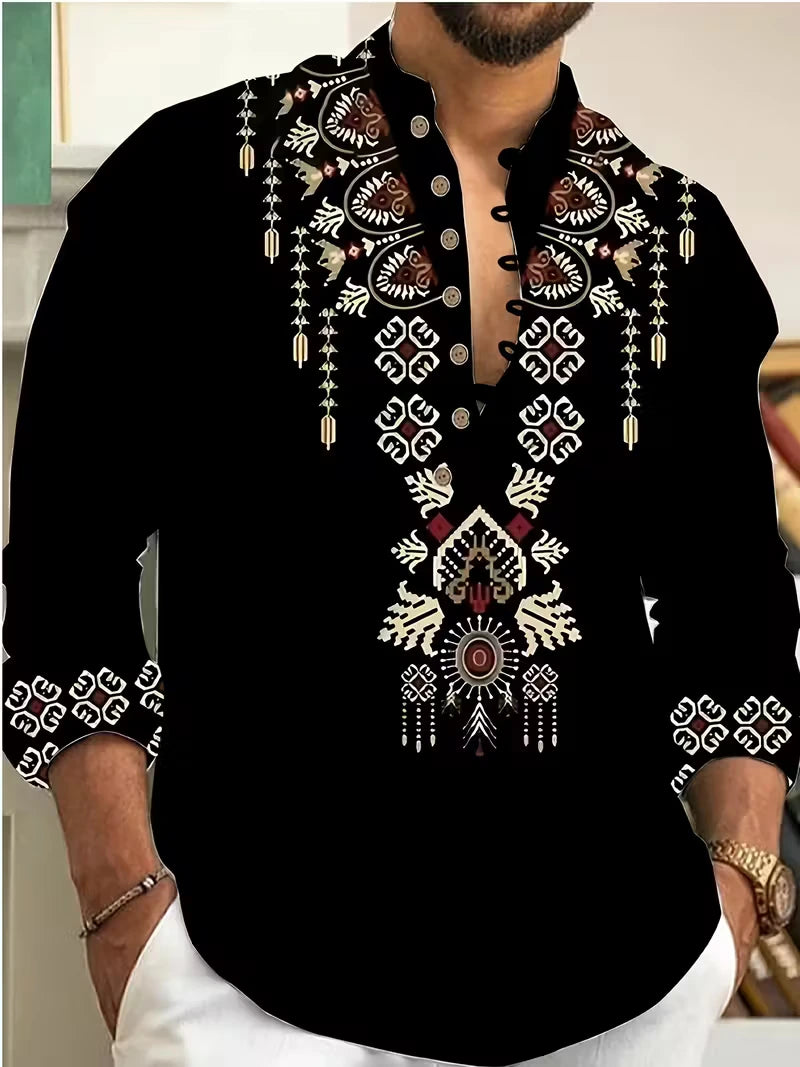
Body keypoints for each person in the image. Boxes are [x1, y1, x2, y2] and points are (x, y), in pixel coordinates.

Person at [3, 3, 799, 1065]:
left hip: (626, 996)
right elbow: (64, 562)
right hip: (246, 996)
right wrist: (123, 908)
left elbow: (734, 599)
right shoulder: (189, 183)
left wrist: (738, 888)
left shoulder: (676, 242)